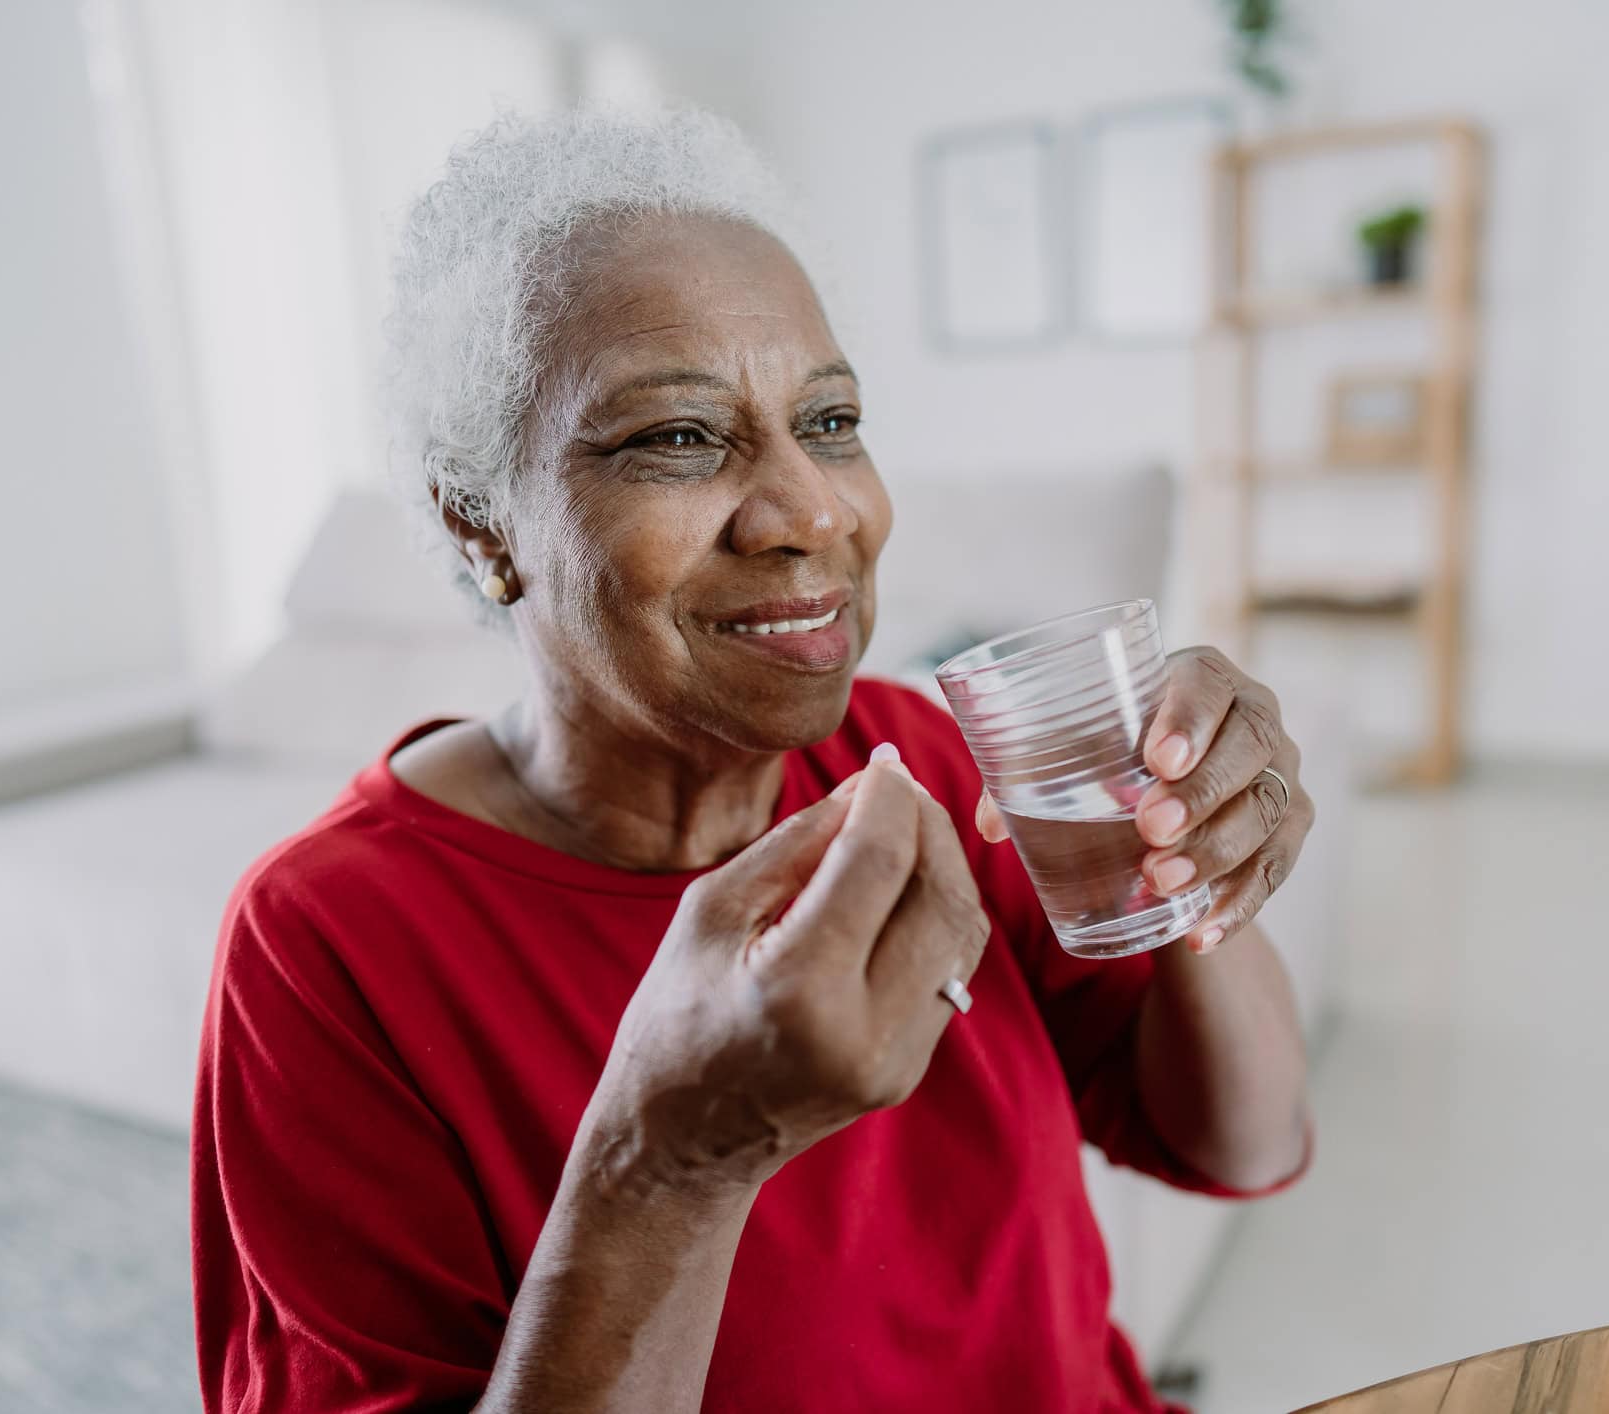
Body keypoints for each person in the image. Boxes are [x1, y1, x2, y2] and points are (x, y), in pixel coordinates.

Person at [191, 107, 1314, 1414]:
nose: (814, 510)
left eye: (829, 421)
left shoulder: (921, 759)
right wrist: (669, 1161)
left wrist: (1196, 863)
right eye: (676, 435)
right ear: (483, 524)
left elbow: (1244, 1140)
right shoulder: (324, 943)